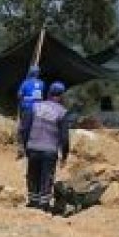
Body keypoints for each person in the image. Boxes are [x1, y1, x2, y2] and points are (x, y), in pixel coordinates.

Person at [18, 81, 71, 211]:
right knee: (46, 177)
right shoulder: (62, 112)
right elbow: (64, 138)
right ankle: (43, 205)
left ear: (48, 93)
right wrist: (64, 155)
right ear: (62, 96)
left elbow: (25, 128)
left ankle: (32, 202)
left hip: (33, 147)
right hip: (50, 150)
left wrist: (25, 146)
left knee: (33, 174)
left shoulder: (35, 107)